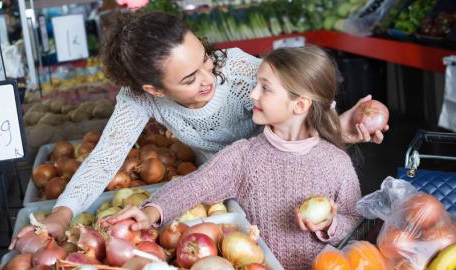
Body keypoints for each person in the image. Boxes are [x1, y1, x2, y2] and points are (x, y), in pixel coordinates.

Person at [10, 11, 384, 247]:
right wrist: (62, 214)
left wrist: (343, 122)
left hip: (291, 188)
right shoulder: (140, 99)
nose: (209, 77)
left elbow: (299, 99)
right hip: (225, 190)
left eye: (205, 59)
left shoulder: (236, 69)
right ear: (154, 89)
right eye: (190, 78)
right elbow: (105, 160)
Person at [103, 46, 362, 269]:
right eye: (256, 84)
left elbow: (355, 222)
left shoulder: (336, 163)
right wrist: (150, 212)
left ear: (300, 105)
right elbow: (196, 185)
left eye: (265, 88)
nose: (253, 94)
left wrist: (330, 224)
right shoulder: (244, 156)